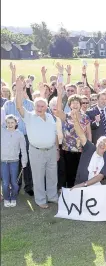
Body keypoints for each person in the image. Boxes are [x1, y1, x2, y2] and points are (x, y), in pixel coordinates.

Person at [15, 77, 59, 209]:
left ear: (46, 107)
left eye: (42, 106)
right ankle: (40, 200)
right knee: (38, 177)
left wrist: (57, 149)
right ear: (34, 106)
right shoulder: (29, 116)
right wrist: (18, 89)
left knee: (52, 175)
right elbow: (19, 106)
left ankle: (52, 196)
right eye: (37, 106)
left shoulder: (50, 117)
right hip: (36, 151)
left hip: (51, 150)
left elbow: (55, 134)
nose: (40, 108)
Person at [3, 76, 35, 197]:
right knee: (15, 161)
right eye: (16, 89)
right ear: (14, 91)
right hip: (12, 138)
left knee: (27, 163)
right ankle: (16, 185)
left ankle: (28, 186)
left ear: (24, 90)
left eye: (21, 89)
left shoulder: (31, 105)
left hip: (27, 137)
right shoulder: (8, 104)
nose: (19, 92)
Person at [56, 83, 92, 188]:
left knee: (80, 173)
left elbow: (89, 133)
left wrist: (89, 148)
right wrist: (59, 94)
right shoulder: (66, 117)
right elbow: (58, 111)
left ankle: (79, 192)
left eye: (77, 103)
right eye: (73, 103)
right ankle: (69, 194)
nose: (75, 105)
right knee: (69, 174)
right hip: (68, 150)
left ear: (81, 105)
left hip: (82, 150)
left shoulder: (85, 117)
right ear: (69, 105)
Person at [71, 110, 106, 188]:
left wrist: (84, 184)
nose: (102, 144)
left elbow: (100, 176)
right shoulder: (89, 148)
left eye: (105, 144)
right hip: (79, 184)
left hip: (95, 188)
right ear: (96, 143)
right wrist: (75, 120)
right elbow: (80, 134)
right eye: (101, 142)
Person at [1, 115, 27, 207]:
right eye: (8, 122)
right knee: (5, 183)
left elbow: (23, 149)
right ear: (5, 123)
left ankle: (14, 197)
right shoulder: (2, 132)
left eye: (12, 122)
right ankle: (7, 198)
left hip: (15, 161)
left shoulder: (19, 134)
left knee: (14, 182)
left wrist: (24, 161)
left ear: (16, 123)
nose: (10, 124)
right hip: (3, 161)